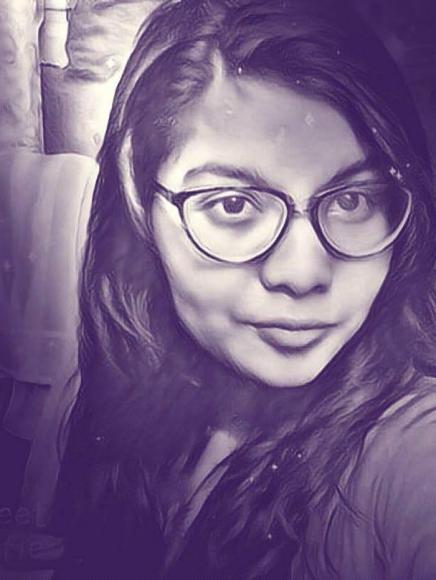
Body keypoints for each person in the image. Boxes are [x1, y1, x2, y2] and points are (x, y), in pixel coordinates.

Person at [51, 0, 436, 578]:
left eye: (353, 199)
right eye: (234, 204)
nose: (303, 274)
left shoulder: (411, 449)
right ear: (136, 192)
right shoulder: (114, 410)